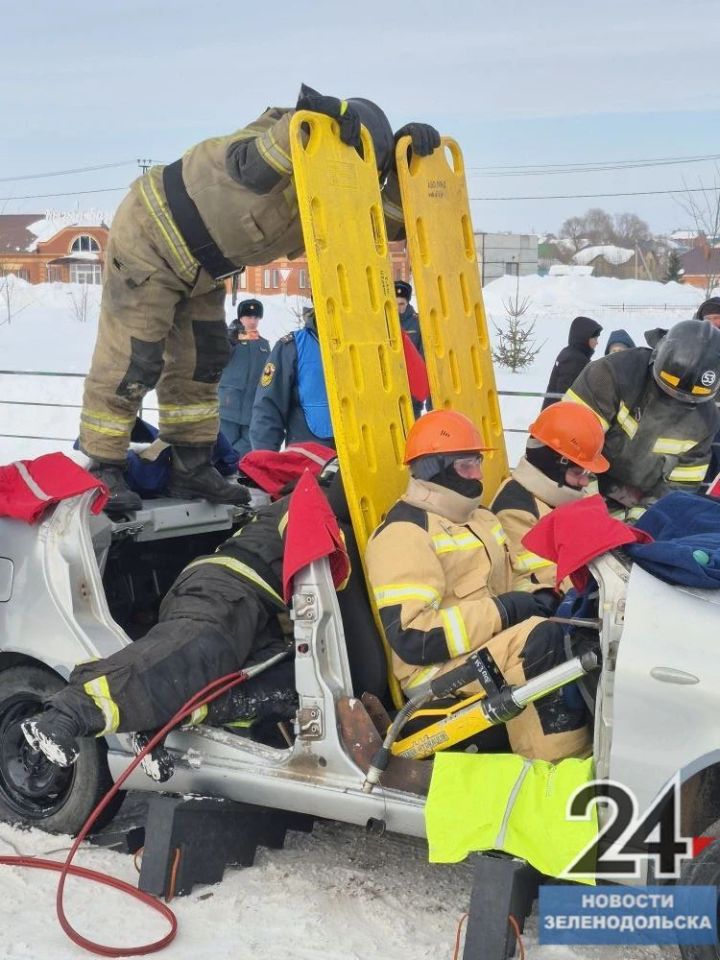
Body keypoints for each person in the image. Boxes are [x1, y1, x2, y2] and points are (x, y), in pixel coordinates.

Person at [77, 83, 440, 513]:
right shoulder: (278, 137)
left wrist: (402, 174)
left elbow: (377, 229)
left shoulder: (330, 194)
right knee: (133, 358)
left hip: (203, 266)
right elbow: (252, 167)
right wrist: (305, 128)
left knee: (205, 360)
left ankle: (190, 465)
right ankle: (103, 464)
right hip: (152, 234)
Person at [21, 461, 347, 782]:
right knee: (196, 655)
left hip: (262, 610)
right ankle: (67, 714)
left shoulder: (331, 508)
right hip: (226, 586)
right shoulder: (313, 500)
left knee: (290, 682)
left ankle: (159, 723)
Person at [364, 410, 590, 762]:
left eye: (478, 463)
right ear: (433, 468)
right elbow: (414, 637)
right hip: (436, 673)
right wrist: (504, 611)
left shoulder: (480, 518)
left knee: (574, 625)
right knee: (542, 641)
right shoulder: (404, 533)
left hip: (486, 647)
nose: (479, 474)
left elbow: (512, 577)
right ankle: (556, 769)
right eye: (467, 465)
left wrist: (538, 596)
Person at [564, 320, 720, 514]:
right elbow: (569, 446)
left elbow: (679, 489)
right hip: (576, 489)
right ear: (658, 354)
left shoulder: (706, 421)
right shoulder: (612, 375)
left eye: (689, 399)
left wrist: (639, 523)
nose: (676, 402)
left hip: (637, 504)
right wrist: (595, 509)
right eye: (667, 389)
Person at [490, 403, 609, 592]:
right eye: (578, 472)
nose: (585, 482)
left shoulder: (566, 499)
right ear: (553, 467)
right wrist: (602, 587)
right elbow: (544, 577)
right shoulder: (515, 510)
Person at [250, 305, 335, 451]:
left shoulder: (375, 346)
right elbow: (268, 410)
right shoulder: (292, 347)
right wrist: (264, 463)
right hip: (310, 467)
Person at [219, 299, 270, 458]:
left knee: (249, 443)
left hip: (252, 406)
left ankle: (232, 462)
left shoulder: (264, 345)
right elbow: (217, 358)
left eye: (256, 317)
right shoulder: (230, 340)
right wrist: (228, 338)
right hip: (229, 404)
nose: (253, 321)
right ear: (241, 318)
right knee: (224, 441)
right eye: (248, 317)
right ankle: (223, 468)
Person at [541, 316, 603, 410]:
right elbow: (566, 395)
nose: (597, 342)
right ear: (584, 337)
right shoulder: (575, 359)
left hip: (555, 414)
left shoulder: (570, 353)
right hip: (562, 418)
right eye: (594, 338)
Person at [395, 279, 429, 417]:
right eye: (395, 303)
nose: (398, 308)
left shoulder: (418, 323)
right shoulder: (385, 323)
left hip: (412, 389)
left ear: (408, 302)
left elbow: (424, 355)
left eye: (402, 304)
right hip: (393, 388)